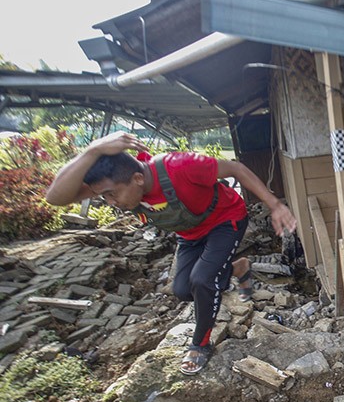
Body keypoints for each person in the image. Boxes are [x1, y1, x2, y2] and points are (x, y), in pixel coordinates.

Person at [45, 131, 297, 375]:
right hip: (190, 233)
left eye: (112, 195)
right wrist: (93, 150)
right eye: (104, 197)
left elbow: (236, 168)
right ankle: (236, 268)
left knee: (202, 280)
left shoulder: (181, 166)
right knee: (183, 290)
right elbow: (55, 198)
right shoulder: (117, 181)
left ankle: (200, 344)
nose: (112, 203)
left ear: (137, 179)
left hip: (225, 219)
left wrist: (274, 205)